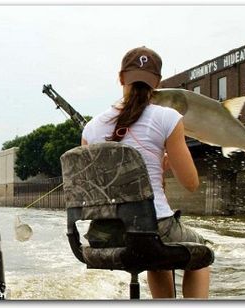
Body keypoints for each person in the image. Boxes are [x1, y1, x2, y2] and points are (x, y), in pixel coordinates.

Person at [81, 46, 210, 298]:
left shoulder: (91, 128)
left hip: (104, 233)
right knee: (201, 253)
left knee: (157, 257)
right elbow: (191, 183)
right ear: (157, 83)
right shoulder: (168, 118)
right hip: (154, 227)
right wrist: (167, 159)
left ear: (121, 78)